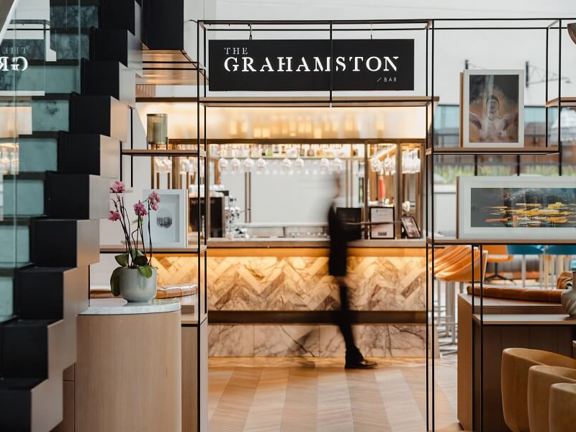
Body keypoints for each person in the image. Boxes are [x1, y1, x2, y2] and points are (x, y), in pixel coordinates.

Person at [327, 175, 377, 369]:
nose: (342, 186)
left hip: (339, 269)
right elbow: (337, 240)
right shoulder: (330, 208)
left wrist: (365, 229)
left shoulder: (332, 207)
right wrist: (341, 273)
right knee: (344, 315)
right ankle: (353, 356)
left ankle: (353, 354)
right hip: (339, 270)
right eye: (340, 183)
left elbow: (341, 237)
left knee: (344, 315)